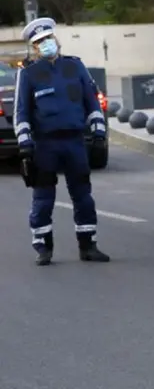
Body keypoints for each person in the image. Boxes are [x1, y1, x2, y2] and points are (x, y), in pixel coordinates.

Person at [14, 17, 110, 266]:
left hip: (75, 142)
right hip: (45, 145)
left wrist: (99, 133)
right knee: (43, 198)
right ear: (34, 48)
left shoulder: (76, 67)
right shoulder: (29, 74)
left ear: (56, 39)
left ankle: (88, 246)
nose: (45, 45)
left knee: (83, 196)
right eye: (39, 43)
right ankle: (43, 248)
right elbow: (21, 113)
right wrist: (25, 146)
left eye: (48, 39)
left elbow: (93, 102)